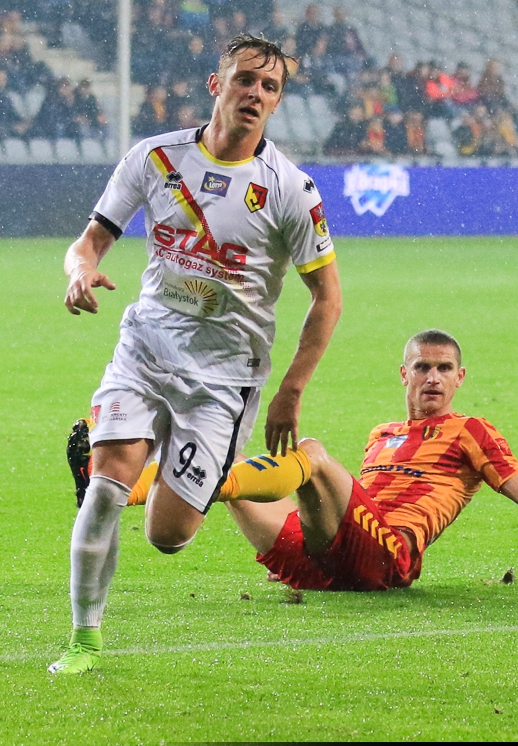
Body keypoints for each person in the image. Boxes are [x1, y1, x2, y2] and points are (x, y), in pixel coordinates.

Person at [48, 34, 342, 675]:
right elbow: (89, 242)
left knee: (168, 535)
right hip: (145, 351)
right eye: (245, 80)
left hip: (224, 380)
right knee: (104, 489)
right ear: (217, 85)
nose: (255, 94)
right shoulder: (155, 158)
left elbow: (328, 298)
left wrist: (291, 389)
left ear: (278, 102)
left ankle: (155, 471)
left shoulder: (290, 189)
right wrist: (79, 271)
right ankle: (83, 642)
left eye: (269, 87)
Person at [104, 329, 518, 598]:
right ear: (404, 374)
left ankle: (129, 490)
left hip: (388, 558)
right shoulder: (382, 434)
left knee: (312, 454)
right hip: (329, 562)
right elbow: (345, 504)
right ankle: (116, 484)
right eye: (423, 367)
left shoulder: (471, 432)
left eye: (444, 368)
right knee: (231, 467)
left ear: (460, 378)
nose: (433, 378)